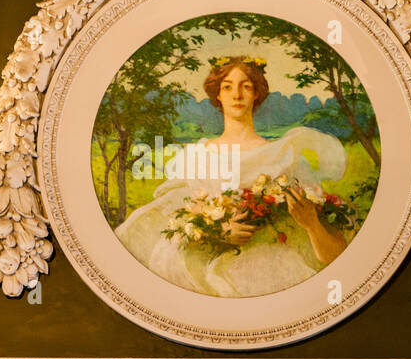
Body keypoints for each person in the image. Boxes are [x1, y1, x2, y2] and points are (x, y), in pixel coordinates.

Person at [114, 55, 351, 298]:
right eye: (228, 87)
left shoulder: (284, 156)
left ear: (256, 93)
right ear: (217, 94)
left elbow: (337, 256)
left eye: (246, 86)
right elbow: (177, 228)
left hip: (271, 272)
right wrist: (217, 231)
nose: (236, 95)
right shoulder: (196, 156)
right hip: (206, 273)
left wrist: (311, 224)